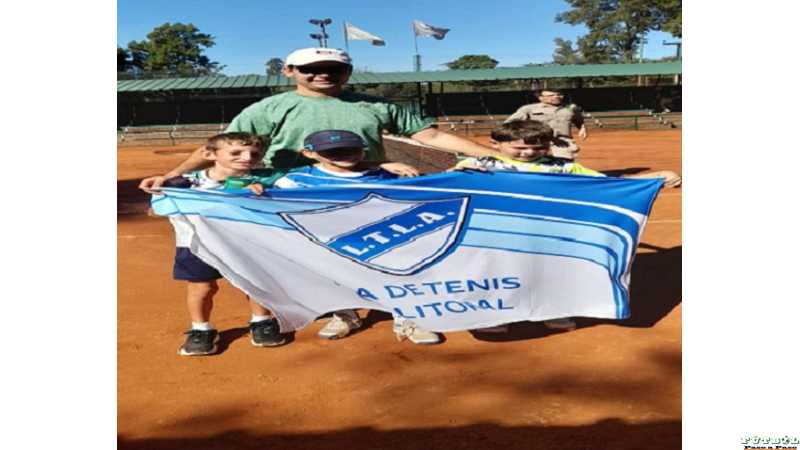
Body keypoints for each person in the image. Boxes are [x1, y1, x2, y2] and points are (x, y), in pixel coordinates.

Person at [139, 47, 504, 193]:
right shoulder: (268, 109)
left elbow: (433, 137)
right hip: (292, 190)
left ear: (347, 71)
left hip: (363, 185)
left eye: (333, 69)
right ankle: (338, 310)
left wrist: (496, 155)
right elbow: (220, 149)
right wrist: (173, 176)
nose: (323, 75)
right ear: (290, 71)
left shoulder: (374, 105)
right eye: (311, 70)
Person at [453, 120, 681, 332]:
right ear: (496, 144)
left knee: (550, 273)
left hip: (551, 234)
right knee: (501, 274)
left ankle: (554, 310)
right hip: (499, 235)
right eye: (519, 148)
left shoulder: (564, 167)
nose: (530, 153)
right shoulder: (478, 165)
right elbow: (445, 187)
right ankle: (496, 316)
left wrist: (655, 177)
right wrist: (459, 175)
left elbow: (604, 184)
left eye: (539, 147)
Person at [253, 129, 442, 345]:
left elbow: (429, 191)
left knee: (395, 277)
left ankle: (408, 319)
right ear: (310, 153)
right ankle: (345, 316)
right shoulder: (293, 181)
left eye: (352, 149)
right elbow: (270, 205)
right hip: (328, 244)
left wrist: (461, 171)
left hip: (384, 240)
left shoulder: (387, 176)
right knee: (334, 280)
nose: (345, 154)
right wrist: (252, 191)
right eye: (332, 151)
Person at [165, 132, 290, 356]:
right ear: (209, 154)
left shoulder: (264, 181)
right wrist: (158, 186)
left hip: (248, 243)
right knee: (202, 287)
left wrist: (264, 194)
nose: (246, 157)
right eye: (235, 152)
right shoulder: (185, 182)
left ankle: (261, 321)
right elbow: (159, 199)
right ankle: (201, 330)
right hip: (197, 244)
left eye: (254, 153)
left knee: (255, 282)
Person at [504, 87, 587, 160]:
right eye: (551, 95)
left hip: (562, 142)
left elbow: (578, 119)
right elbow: (509, 123)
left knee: (565, 164)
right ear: (540, 98)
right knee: (537, 164)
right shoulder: (528, 109)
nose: (556, 97)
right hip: (537, 142)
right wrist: (527, 133)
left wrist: (582, 128)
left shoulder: (571, 108)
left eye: (559, 94)